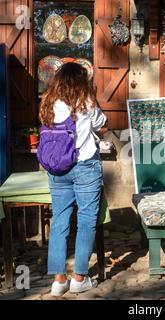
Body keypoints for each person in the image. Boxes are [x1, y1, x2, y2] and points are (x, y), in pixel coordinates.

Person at [38, 62, 107, 296]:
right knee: (86, 220)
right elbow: (102, 125)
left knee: (59, 220)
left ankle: (58, 281)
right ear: (81, 80)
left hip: (57, 168)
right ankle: (79, 278)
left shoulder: (48, 102)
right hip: (85, 165)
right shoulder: (86, 101)